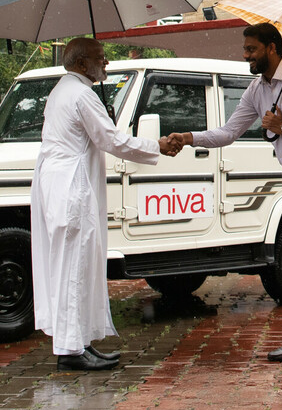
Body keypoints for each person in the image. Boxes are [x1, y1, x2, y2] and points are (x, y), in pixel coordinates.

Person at [170, 23, 282, 362]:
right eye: (245, 49)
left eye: (251, 49)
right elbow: (227, 132)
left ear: (271, 48)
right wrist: (189, 137)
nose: (245, 55)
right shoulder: (257, 90)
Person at [31, 37, 182, 371]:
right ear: (83, 64)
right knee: (75, 266)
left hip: (60, 185)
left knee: (75, 266)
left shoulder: (63, 90)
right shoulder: (82, 94)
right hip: (71, 188)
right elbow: (110, 140)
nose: (107, 63)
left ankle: (79, 342)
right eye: (101, 58)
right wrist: (156, 144)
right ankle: (71, 350)